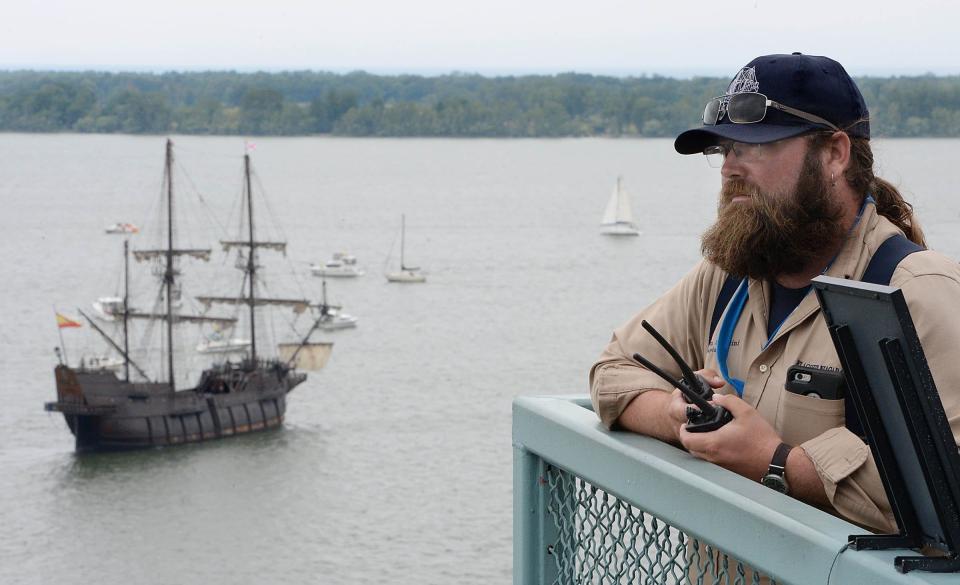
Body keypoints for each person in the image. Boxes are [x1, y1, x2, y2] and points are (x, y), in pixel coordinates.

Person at [589, 53, 960, 533]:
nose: (730, 169)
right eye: (725, 150)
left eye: (755, 147)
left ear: (834, 154)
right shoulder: (726, 277)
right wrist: (680, 414)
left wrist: (776, 461)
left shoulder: (917, 291)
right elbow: (613, 373)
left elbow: (950, 481)